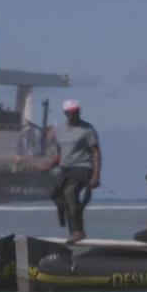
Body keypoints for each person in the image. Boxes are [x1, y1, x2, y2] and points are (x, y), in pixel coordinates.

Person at [44, 99, 101, 244]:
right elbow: (61, 152)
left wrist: (96, 175)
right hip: (65, 168)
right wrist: (50, 165)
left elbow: (95, 152)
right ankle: (70, 224)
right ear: (66, 113)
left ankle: (78, 231)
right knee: (55, 192)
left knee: (70, 192)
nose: (75, 114)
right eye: (72, 112)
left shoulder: (87, 129)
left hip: (83, 167)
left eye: (77, 111)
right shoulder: (59, 130)